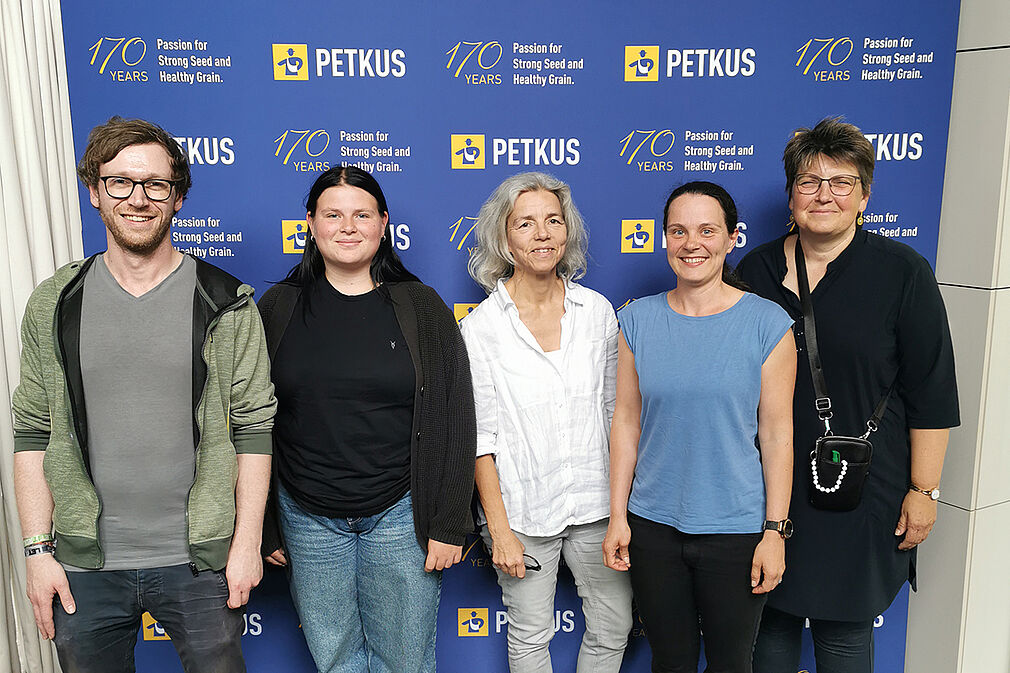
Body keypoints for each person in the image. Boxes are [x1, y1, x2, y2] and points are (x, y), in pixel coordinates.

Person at [11, 116, 277, 673]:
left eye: (157, 184)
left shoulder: (226, 303)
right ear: (94, 191)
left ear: (177, 198)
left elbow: (254, 429)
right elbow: (33, 432)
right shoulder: (55, 302)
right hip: (85, 562)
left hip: (201, 560)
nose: (138, 199)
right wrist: (37, 552)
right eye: (121, 182)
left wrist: (246, 542)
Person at [736, 117, 959, 673]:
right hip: (767, 482)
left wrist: (924, 491)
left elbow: (930, 388)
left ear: (864, 196)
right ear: (790, 196)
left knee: (844, 633)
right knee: (770, 621)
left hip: (861, 485)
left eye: (842, 182)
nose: (824, 195)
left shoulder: (902, 272)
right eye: (810, 182)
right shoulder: (754, 269)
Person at [257, 166, 476, 673]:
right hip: (306, 515)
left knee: (405, 661)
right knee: (335, 661)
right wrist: (263, 526)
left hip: (401, 515)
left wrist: (450, 522)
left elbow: (456, 417)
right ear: (310, 223)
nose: (348, 226)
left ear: (383, 224)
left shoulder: (422, 307)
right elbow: (249, 421)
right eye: (333, 215)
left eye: (361, 214)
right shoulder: (277, 308)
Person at [604, 181, 796, 673]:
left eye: (708, 230)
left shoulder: (767, 324)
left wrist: (774, 531)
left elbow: (777, 436)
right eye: (679, 231)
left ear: (732, 238)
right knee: (670, 661)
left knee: (731, 664)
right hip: (653, 529)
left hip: (737, 531)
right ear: (664, 238)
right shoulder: (638, 321)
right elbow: (626, 422)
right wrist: (618, 516)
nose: (693, 243)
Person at [461, 172, 633, 673]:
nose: (542, 234)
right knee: (530, 635)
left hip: (597, 505)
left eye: (553, 221)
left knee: (614, 624)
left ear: (567, 231)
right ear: (503, 237)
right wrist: (499, 529)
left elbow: (614, 415)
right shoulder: (481, 328)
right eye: (526, 223)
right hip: (522, 512)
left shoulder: (597, 311)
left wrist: (621, 510)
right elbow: (480, 438)